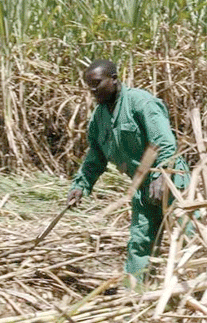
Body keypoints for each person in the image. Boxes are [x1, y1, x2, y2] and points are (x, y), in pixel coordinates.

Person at [66, 59, 190, 285]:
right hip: (142, 186)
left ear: (114, 79)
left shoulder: (141, 103)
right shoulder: (99, 118)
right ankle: (134, 296)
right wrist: (80, 185)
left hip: (170, 180)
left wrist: (162, 175)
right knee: (140, 240)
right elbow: (95, 156)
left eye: (96, 84)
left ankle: (206, 285)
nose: (92, 91)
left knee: (187, 233)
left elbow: (164, 142)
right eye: (89, 86)